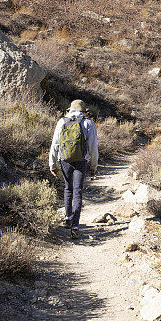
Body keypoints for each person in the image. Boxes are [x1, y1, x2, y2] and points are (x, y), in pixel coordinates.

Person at [49, 99, 98, 239]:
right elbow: (93, 148)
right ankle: (75, 226)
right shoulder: (88, 123)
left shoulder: (62, 121)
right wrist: (94, 166)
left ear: (70, 109)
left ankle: (68, 218)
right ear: (83, 110)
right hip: (81, 161)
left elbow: (55, 144)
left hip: (64, 160)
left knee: (67, 188)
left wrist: (52, 164)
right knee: (77, 191)